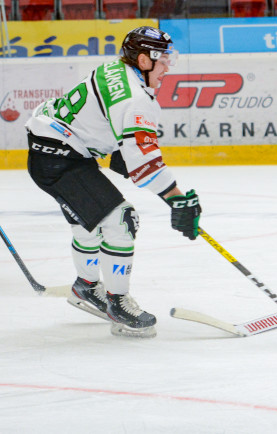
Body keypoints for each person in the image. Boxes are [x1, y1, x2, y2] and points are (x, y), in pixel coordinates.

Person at [24, 26, 202, 338]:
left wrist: (133, 164)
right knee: (121, 219)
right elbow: (144, 164)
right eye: (163, 61)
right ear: (144, 61)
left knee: (89, 223)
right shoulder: (134, 99)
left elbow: (107, 131)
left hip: (54, 147)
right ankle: (117, 302)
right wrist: (178, 200)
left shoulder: (116, 69)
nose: (168, 68)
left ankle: (86, 286)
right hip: (59, 158)